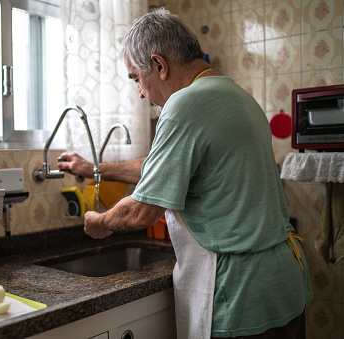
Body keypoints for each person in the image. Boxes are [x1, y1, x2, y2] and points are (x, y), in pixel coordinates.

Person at [61, 8, 313, 339]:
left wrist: (100, 222)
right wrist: (94, 168)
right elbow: (160, 166)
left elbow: (141, 212)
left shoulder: (183, 106)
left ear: (159, 65)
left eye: (137, 78)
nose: (140, 93)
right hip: (284, 283)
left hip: (239, 294)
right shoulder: (237, 96)